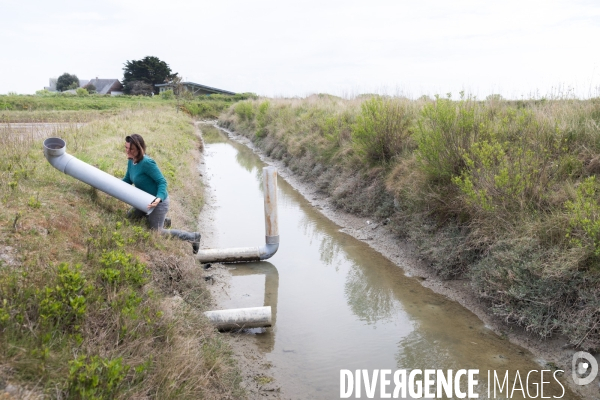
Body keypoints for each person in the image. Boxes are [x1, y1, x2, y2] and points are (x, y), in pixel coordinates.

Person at [122, 134, 201, 253]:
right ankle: (164, 220)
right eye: (126, 148)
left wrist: (158, 198)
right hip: (144, 200)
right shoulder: (131, 161)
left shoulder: (147, 163)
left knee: (157, 232)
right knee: (130, 218)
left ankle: (193, 237)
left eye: (131, 149)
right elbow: (127, 180)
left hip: (158, 202)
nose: (128, 151)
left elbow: (162, 182)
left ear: (139, 149)